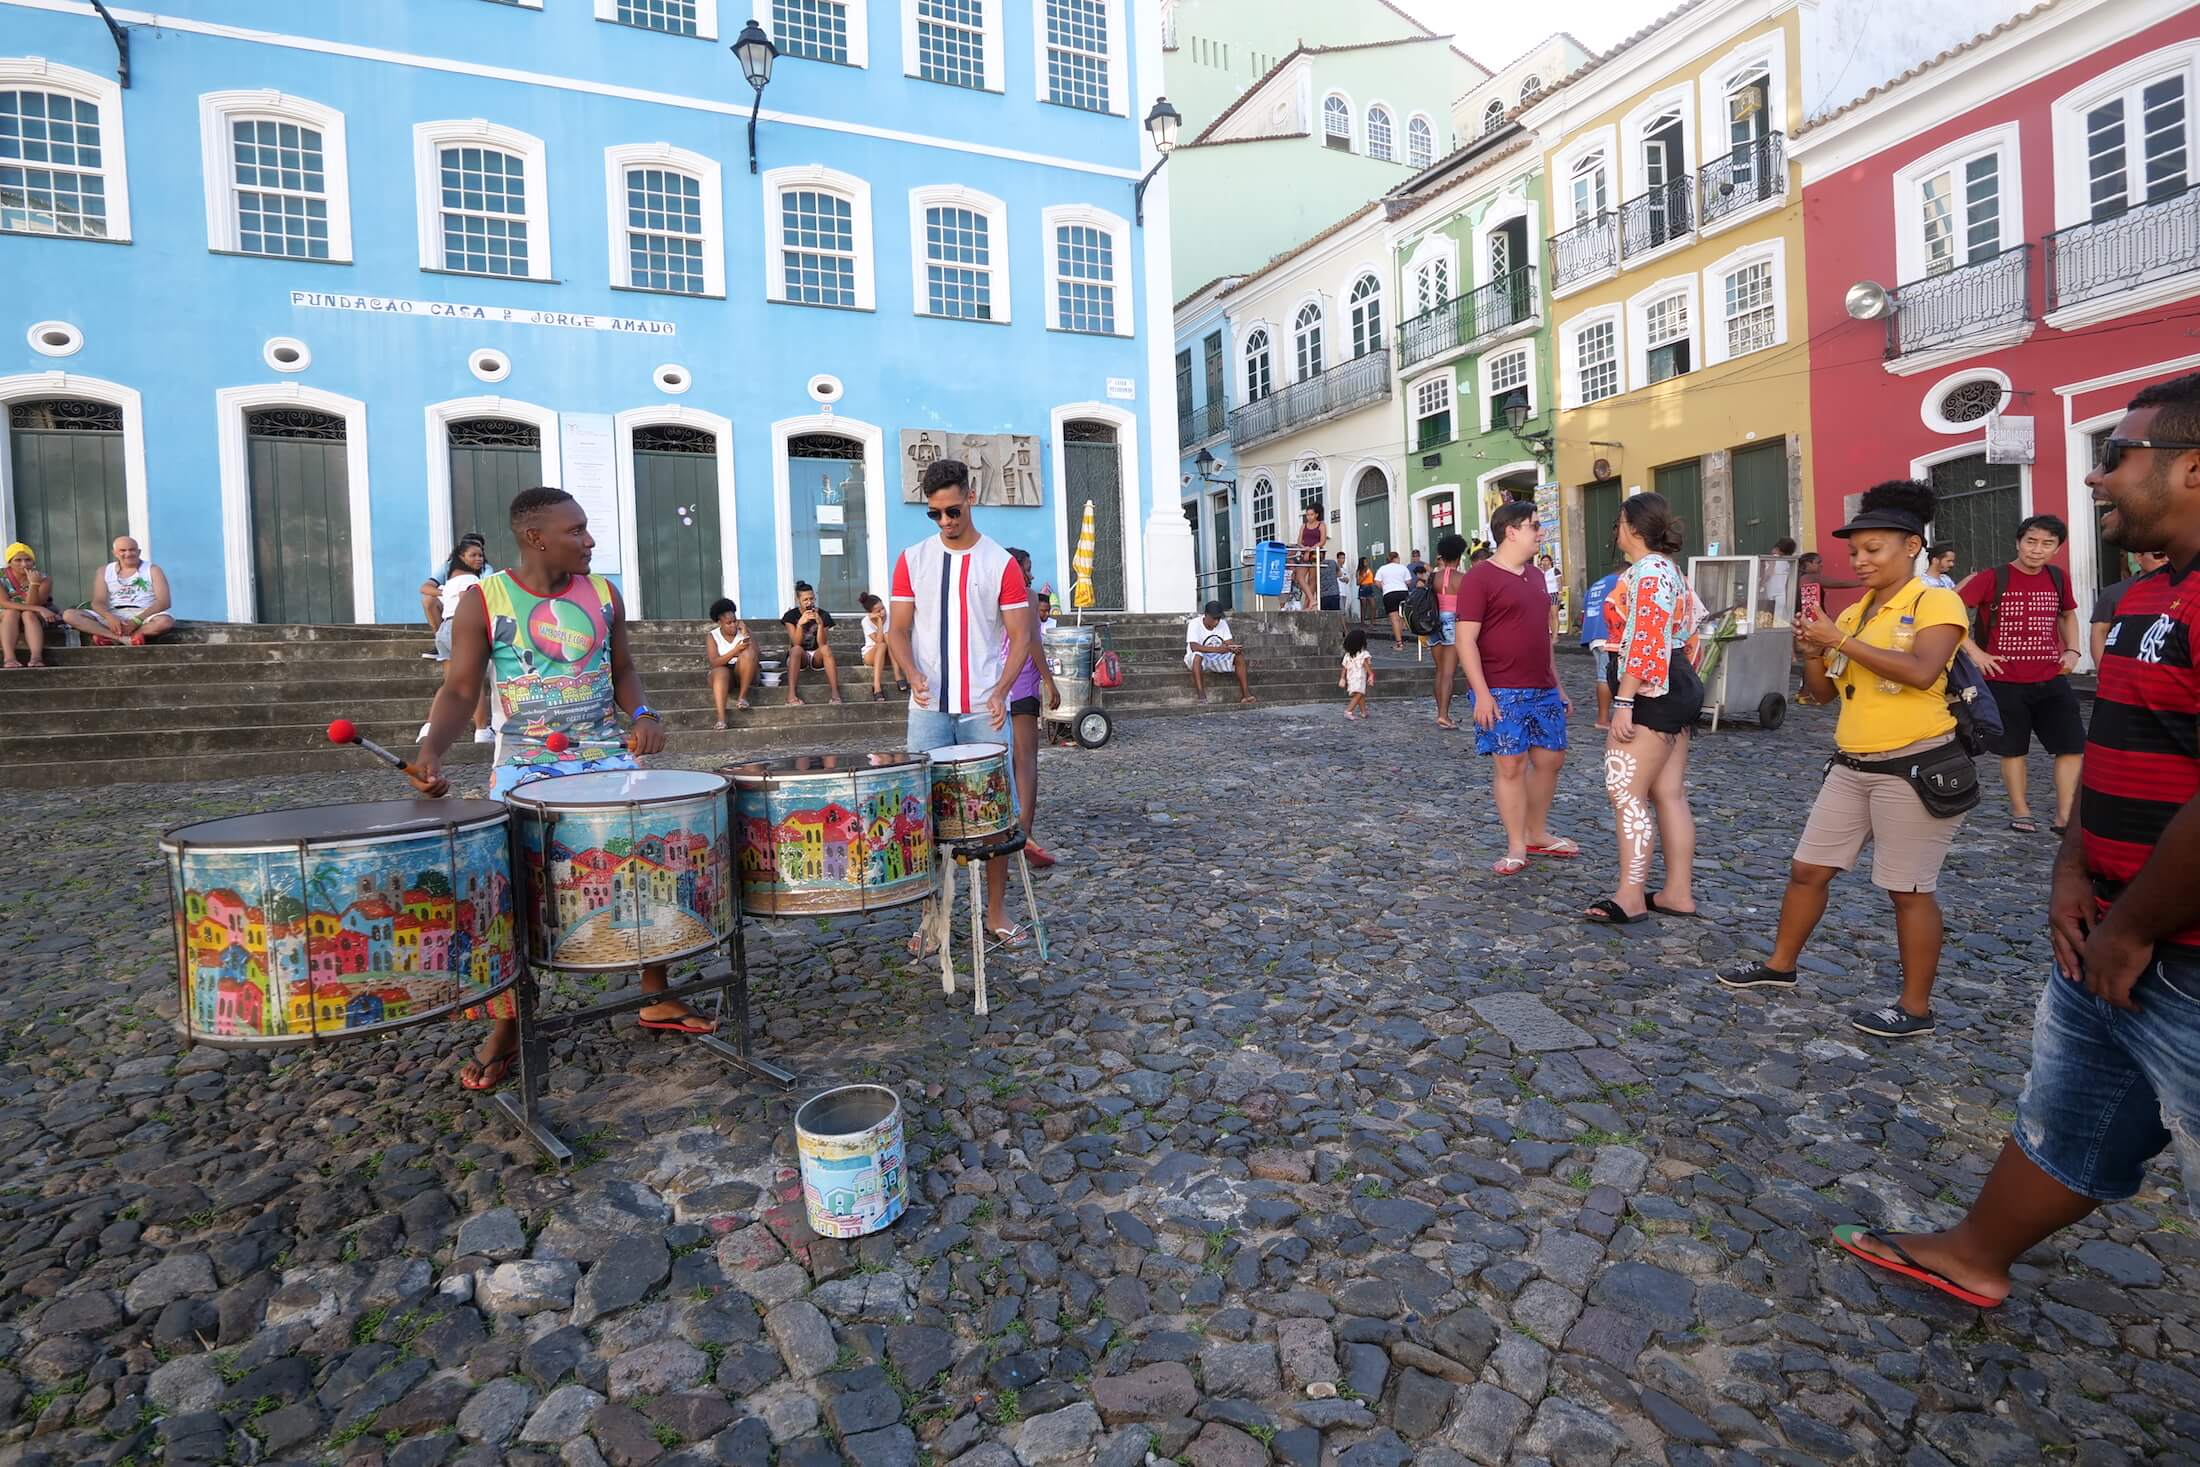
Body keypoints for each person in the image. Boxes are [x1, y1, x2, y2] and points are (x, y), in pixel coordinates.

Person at [1828, 374, 2200, 1309]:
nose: (2099, 476)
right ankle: (1975, 1251)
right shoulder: (2146, 595)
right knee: (2069, 1118)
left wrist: (2133, 925)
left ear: (2192, 468)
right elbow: (2119, 750)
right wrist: (2074, 866)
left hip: (2171, 950)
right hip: (2105, 930)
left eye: (2118, 455)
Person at [407, 486, 702, 1091]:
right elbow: (460, 689)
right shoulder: (484, 601)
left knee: (641, 865)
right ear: (535, 537)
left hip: (605, 756)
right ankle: (509, 1024)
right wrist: (430, 752)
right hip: (526, 764)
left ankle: (656, 993)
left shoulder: (604, 595)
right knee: (511, 893)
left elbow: (623, 670)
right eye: (576, 530)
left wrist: (643, 713)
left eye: (587, 528)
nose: (589, 540)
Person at [1717, 481, 1972, 1039]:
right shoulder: (1857, 612)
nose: (1859, 561)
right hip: (1853, 763)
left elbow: (1922, 672)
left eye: (1873, 549)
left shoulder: (1935, 601)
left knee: (1908, 890)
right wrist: (1813, 652)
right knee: (1808, 869)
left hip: (1916, 765)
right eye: (1855, 551)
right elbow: (1823, 693)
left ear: (1912, 546)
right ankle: (1780, 966)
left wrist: (1838, 640)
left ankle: (1915, 1009)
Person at [886, 458, 1037, 949]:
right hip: (928, 710)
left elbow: (1021, 636)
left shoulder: (1000, 563)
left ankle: (996, 912)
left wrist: (1002, 689)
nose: (946, 521)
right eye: (935, 513)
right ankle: (931, 920)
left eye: (952, 510)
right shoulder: (913, 559)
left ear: (970, 497)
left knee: (994, 815)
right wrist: (911, 672)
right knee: (923, 816)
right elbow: (898, 630)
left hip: (981, 708)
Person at [1585, 492, 1703, 924]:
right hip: (1676, 679)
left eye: (1618, 523)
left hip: (1651, 688)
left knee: (1625, 791)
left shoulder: (1648, 572)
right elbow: (1693, 628)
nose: (1615, 531)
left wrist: (1624, 700)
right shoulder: (1670, 570)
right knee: (1669, 793)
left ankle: (1631, 895)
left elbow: (1645, 638)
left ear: (1632, 527)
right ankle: (1677, 892)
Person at [1460, 502, 1577, 874]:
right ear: (1511, 531)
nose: (1540, 532)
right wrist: (1481, 693)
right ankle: (1516, 844)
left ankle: (1535, 831)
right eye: (1534, 526)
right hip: (1501, 688)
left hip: (1542, 687)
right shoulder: (1480, 577)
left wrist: (1558, 685)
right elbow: (1465, 640)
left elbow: (1542, 637)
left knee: (1551, 759)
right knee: (1510, 765)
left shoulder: (1537, 577)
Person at [1958, 515, 2085, 834]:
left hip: (2051, 676)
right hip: (2003, 680)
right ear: (2018, 542)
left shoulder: (2058, 578)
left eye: (2047, 544)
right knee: (2013, 749)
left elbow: (2067, 615)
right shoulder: (1992, 578)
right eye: (2031, 541)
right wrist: (1976, 653)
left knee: (2071, 745)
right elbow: (1948, 612)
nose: (2037, 550)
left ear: (2057, 549)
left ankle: (2065, 815)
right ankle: (2020, 809)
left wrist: (2073, 650)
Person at [1002, 549, 1061, 869]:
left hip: (993, 684)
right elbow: (1032, 641)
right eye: (1027, 569)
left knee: (1006, 759)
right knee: (1026, 760)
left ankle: (1005, 827)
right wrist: (1049, 681)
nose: (1031, 575)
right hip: (1022, 681)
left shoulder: (990, 594)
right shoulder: (1025, 596)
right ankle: (1024, 832)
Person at [419, 537, 496, 743]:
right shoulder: (471, 580)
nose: (479, 559)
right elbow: (466, 604)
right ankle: (482, 730)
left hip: (444, 629)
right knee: (475, 682)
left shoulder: (451, 581)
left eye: (480, 555)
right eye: (473, 555)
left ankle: (429, 726)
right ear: (462, 557)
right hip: (461, 629)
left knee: (450, 683)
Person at [63, 537, 172, 645]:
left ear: (139, 552)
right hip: (113, 613)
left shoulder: (153, 570)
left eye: (132, 550)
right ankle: (122, 639)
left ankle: (120, 638)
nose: (128, 554)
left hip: (143, 613)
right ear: (115, 553)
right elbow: (98, 602)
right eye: (123, 550)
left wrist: (137, 620)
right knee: (69, 615)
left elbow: (164, 602)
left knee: (165, 622)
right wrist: (110, 618)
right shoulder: (104, 571)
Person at [2087, 548, 2168, 668]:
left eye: (2170, 554)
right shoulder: (2114, 593)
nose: (2166, 559)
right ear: (2138, 557)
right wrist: (2102, 670)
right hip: (2123, 667)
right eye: (2159, 555)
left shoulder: (2184, 591)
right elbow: (2099, 632)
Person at [1426, 534, 1470, 730]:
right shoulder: (1462, 578)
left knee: (1440, 670)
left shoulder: (1433, 577)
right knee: (1448, 673)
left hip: (1434, 622)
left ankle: (1440, 712)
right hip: (1452, 622)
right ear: (1459, 557)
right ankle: (1443, 715)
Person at [781, 581, 844, 706]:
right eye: (805, 600)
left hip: (817, 655)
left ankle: (835, 694)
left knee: (826, 649)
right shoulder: (790, 616)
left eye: (811, 598)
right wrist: (800, 624)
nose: (809, 602)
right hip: (800, 656)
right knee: (796, 649)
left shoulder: (823, 615)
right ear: (797, 600)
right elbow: (796, 642)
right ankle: (791, 695)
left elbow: (822, 643)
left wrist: (820, 624)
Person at [1581, 559, 1625, 729]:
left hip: (1593, 634)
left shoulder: (1597, 584)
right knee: (1605, 676)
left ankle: (1607, 716)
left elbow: (1585, 611)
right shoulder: (1619, 582)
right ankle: (1603, 719)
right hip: (1608, 633)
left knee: (1607, 674)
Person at [1, 543, 60, 669]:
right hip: (8, 613)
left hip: (34, 615)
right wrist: (38, 608)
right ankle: (9, 658)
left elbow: (34, 604)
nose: (24, 564)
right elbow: (4, 602)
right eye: (18, 560)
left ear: (33, 561)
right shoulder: (1, 577)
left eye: (28, 560)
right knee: (11, 612)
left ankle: (36, 658)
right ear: (9, 562)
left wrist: (34, 584)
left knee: (28, 614)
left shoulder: (44, 578)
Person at [1184, 600, 1254, 704]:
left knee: (1239, 656)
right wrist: (1218, 649)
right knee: (1197, 656)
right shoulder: (1194, 624)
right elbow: (1194, 647)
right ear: (1206, 615)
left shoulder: (1222, 623)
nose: (1216, 622)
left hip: (1216, 657)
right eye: (1214, 618)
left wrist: (1233, 648)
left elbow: (1228, 642)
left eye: (1218, 618)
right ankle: (1201, 696)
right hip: (1198, 658)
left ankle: (1246, 694)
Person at [705, 597, 760, 726]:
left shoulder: (744, 631)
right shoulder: (712, 636)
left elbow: (756, 654)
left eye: (735, 621)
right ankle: (721, 719)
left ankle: (742, 697)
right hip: (725, 675)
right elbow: (714, 662)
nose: (733, 625)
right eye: (728, 623)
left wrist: (745, 633)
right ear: (720, 623)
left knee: (748, 653)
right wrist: (735, 651)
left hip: (745, 672)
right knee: (720, 672)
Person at [857, 591, 904, 700]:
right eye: (878, 611)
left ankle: (897, 674)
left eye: (883, 608)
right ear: (871, 613)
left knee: (888, 637)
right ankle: (876, 686)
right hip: (871, 655)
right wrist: (879, 622)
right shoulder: (866, 621)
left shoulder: (891, 617)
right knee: (882, 645)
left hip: (890, 654)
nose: (883, 612)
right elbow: (878, 641)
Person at [1292, 504, 1328, 612]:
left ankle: (1308, 605)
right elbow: (1299, 541)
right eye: (1307, 515)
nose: (1309, 517)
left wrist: (1311, 549)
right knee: (1300, 577)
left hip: (1315, 553)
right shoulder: (1304, 526)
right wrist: (1305, 548)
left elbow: (1322, 541)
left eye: (1311, 514)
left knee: (1312, 580)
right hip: (1305, 552)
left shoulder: (1321, 525)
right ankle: (1312, 600)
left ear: (1316, 515)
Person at [1375, 551, 1412, 649]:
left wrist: (1384, 587)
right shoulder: (1403, 568)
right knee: (1401, 618)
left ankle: (1399, 643)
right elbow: (1408, 582)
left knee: (1394, 619)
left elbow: (1377, 582)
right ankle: (1400, 639)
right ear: (1396, 558)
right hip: (1403, 592)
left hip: (1390, 593)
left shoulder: (1382, 568)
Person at [1340, 626, 1373, 719]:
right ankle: (1349, 710)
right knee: (1359, 694)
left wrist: (1342, 678)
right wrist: (1371, 675)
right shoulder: (1363, 654)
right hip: (1359, 678)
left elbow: (1344, 668)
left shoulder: (1347, 655)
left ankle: (1363, 712)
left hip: (1351, 678)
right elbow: (1366, 665)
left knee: (1360, 694)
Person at [1356, 557, 1376, 623]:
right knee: (1364, 606)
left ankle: (1372, 622)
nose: (1366, 563)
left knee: (1373, 605)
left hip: (1370, 587)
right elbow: (1358, 583)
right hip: (1363, 588)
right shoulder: (1359, 571)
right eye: (1365, 562)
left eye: (1367, 561)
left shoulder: (1369, 570)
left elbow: (1372, 579)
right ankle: (1362, 621)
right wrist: (1364, 576)